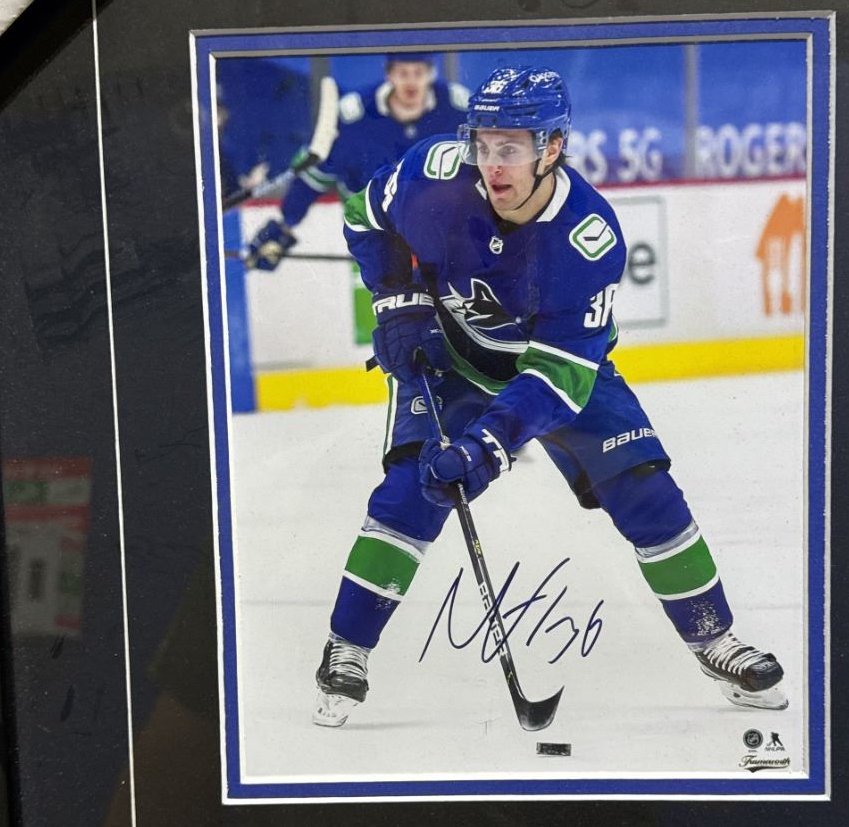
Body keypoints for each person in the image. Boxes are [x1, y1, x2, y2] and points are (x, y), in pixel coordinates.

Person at [313, 65, 786, 727]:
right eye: (484, 144)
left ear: (552, 148)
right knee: (410, 490)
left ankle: (715, 639)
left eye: (510, 147)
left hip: (553, 374)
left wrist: (489, 445)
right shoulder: (433, 174)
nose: (492, 164)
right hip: (453, 358)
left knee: (646, 490)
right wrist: (396, 300)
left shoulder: (587, 239)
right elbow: (365, 216)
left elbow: (557, 377)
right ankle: (347, 648)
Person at [245, 55, 469, 267]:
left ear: (431, 74)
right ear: (389, 74)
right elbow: (313, 178)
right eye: (403, 73)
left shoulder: (458, 111)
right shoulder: (353, 119)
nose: (411, 82)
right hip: (377, 239)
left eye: (418, 73)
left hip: (446, 239)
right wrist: (283, 228)